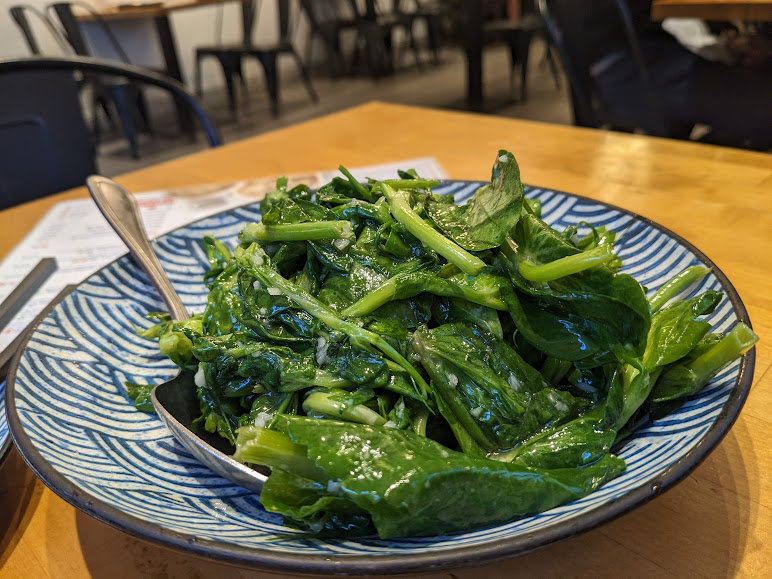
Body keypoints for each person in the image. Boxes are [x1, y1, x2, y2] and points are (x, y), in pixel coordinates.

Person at [573, 0, 771, 148]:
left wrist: (718, 46)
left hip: (628, 53)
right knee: (762, 103)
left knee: (756, 75)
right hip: (627, 68)